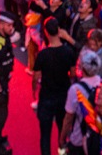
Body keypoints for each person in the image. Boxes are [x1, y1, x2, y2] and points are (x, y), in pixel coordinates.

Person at [35, 16, 77, 155]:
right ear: (59, 30)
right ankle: (62, 151)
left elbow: (36, 77)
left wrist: (34, 91)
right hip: (63, 95)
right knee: (62, 129)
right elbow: (72, 74)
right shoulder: (68, 52)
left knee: (45, 134)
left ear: (46, 33)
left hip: (47, 96)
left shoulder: (42, 55)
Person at [0, 10, 18, 155]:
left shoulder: (4, 37)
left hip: (2, 80)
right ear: (2, 25)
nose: (11, 29)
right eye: (9, 26)